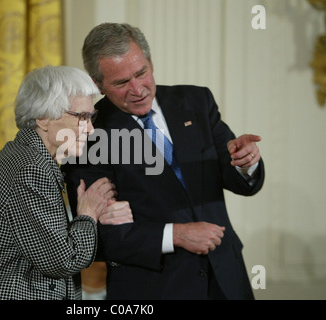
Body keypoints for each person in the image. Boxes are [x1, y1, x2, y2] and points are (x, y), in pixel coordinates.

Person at [62, 23, 265, 300]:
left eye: (141, 73)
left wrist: (245, 162)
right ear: (98, 84)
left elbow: (241, 182)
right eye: (122, 83)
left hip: (226, 279)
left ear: (150, 62)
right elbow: (96, 237)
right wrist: (176, 235)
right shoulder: (89, 134)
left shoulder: (196, 101)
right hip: (155, 288)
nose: (137, 89)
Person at [0, 66, 133, 300]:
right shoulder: (31, 169)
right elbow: (62, 260)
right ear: (44, 118)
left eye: (91, 117)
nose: (92, 129)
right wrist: (87, 214)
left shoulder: (24, 155)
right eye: (82, 117)